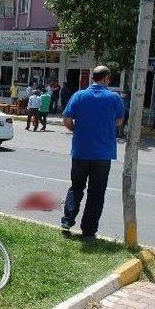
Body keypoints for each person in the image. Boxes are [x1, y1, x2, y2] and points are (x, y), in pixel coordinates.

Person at [61, 65, 124, 240]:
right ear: (106, 79)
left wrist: (78, 130)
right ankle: (88, 231)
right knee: (96, 193)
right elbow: (119, 121)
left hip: (81, 151)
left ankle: (67, 219)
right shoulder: (114, 98)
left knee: (76, 187)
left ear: (93, 78)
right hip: (103, 155)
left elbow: (66, 120)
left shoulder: (79, 95)